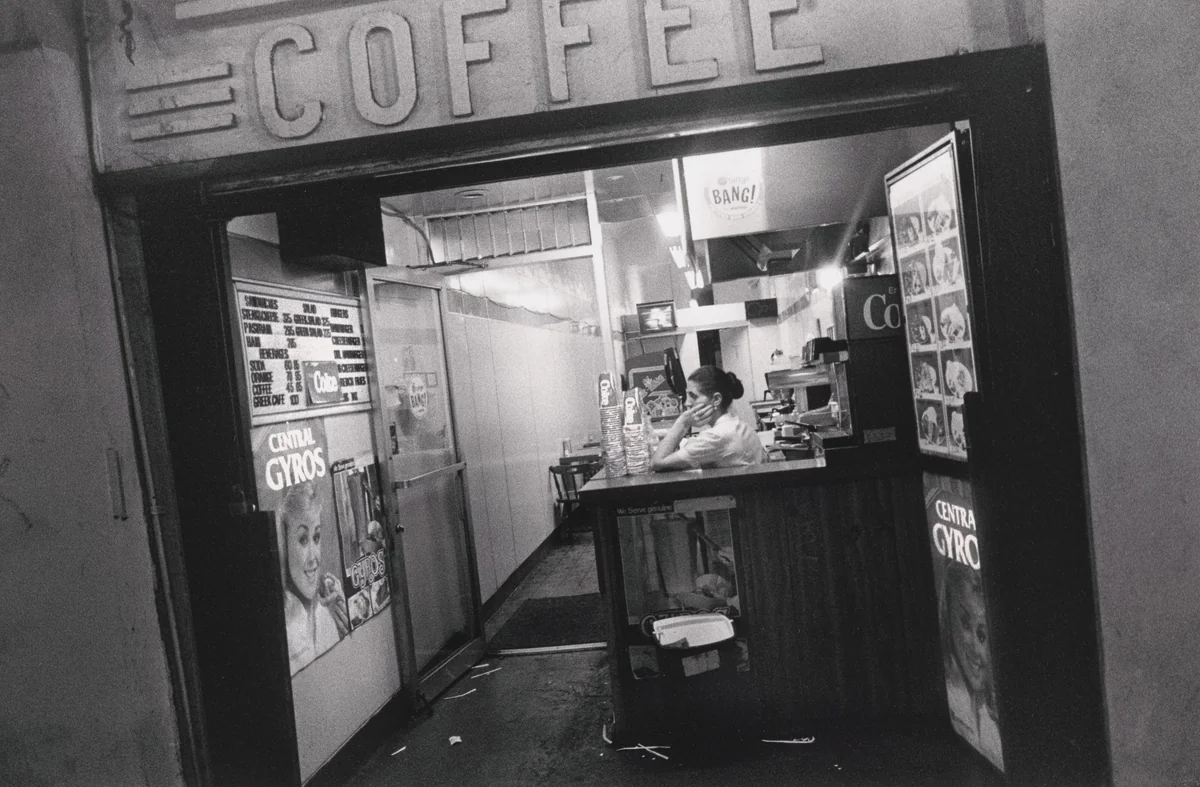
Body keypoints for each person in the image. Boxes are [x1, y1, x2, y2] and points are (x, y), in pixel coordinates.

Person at [280, 481, 349, 674]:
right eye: (302, 540)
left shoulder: (328, 610)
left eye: (316, 538)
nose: (313, 558)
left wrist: (346, 632)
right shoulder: (282, 624)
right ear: (284, 546)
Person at [941, 561, 1004, 768]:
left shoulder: (992, 722)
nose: (977, 651)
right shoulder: (951, 705)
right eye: (966, 624)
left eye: (983, 634)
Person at [651, 365, 767, 471]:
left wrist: (681, 423)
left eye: (693, 396)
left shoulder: (716, 436)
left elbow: (657, 462)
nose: (687, 403)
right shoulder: (741, 426)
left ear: (716, 399)